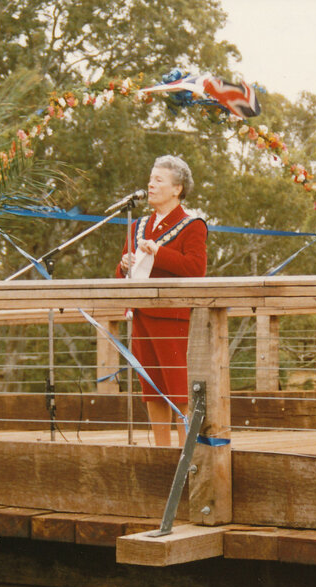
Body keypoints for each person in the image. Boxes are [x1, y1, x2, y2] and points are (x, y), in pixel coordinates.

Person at [116, 155, 207, 447]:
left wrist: (158, 252)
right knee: (151, 390)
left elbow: (196, 269)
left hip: (173, 319)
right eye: (150, 178)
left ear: (177, 189)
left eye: (158, 180)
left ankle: (185, 456)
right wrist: (124, 266)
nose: (150, 184)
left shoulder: (192, 225)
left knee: (179, 391)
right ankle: (161, 453)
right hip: (142, 316)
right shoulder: (137, 226)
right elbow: (121, 279)